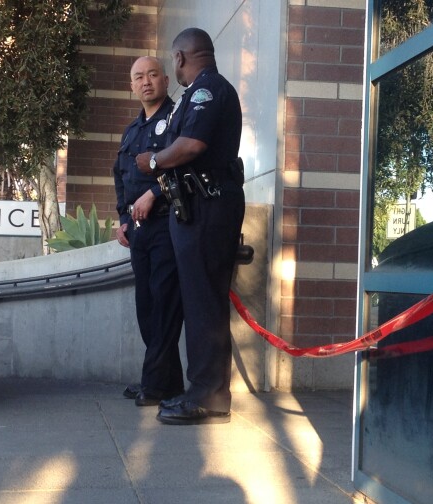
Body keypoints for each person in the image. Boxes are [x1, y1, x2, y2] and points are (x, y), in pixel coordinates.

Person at [136, 28, 245, 425]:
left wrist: (151, 161)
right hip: (196, 207)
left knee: (203, 304)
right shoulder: (200, 90)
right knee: (199, 302)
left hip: (209, 207)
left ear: (180, 58)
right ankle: (202, 389)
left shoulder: (208, 89)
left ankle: (208, 396)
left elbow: (192, 146)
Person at [113, 56, 184, 407]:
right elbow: (120, 176)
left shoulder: (176, 119)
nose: (145, 82)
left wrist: (155, 193)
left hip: (167, 223)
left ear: (166, 79)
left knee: (164, 304)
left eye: (152, 74)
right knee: (147, 305)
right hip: (138, 230)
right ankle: (166, 382)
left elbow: (186, 163)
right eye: (138, 77)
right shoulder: (132, 131)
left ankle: (154, 383)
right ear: (132, 86)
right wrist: (123, 218)